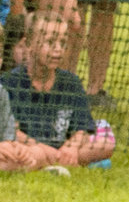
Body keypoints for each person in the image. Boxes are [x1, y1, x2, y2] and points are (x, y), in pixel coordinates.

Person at [2, 16, 110, 166]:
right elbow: (11, 132)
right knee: (24, 153)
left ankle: (61, 160)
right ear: (29, 44)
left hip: (63, 148)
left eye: (63, 43)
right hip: (30, 147)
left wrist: (71, 147)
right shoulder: (9, 83)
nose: (58, 49)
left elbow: (82, 127)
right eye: (50, 42)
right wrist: (43, 148)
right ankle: (62, 161)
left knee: (105, 143)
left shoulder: (71, 82)